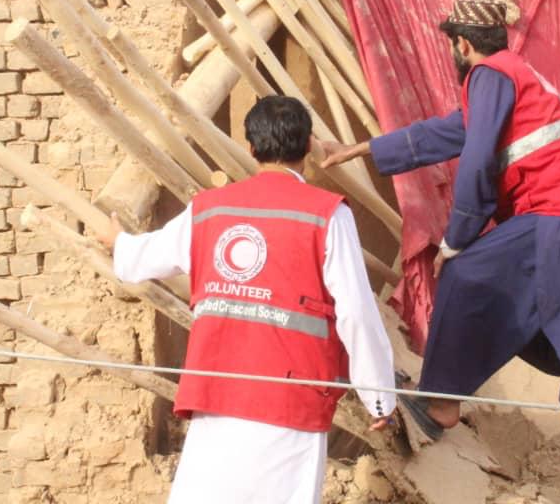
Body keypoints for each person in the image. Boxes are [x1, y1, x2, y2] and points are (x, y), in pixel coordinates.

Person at [320, 0, 560, 504]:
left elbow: (475, 161)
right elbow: (448, 132)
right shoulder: (519, 78)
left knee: (466, 275)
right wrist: (360, 149)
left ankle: (442, 402)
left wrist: (457, 238)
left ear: (462, 44)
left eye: (452, 45)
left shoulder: (489, 74)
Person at [96, 95, 396, 504]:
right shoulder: (327, 215)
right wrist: (378, 396)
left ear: (251, 147)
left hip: (217, 393)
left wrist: (118, 242)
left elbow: (141, 260)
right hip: (291, 402)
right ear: (309, 145)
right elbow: (356, 312)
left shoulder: (208, 209)